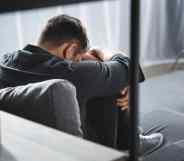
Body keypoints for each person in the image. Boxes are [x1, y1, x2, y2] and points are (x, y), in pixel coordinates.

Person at [0, 14, 163, 156]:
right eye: (77, 58)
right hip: (83, 146)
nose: (78, 62)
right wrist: (101, 52)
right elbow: (129, 66)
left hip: (26, 143)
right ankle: (130, 143)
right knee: (110, 74)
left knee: (104, 74)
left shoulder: (6, 61)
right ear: (69, 50)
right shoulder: (71, 73)